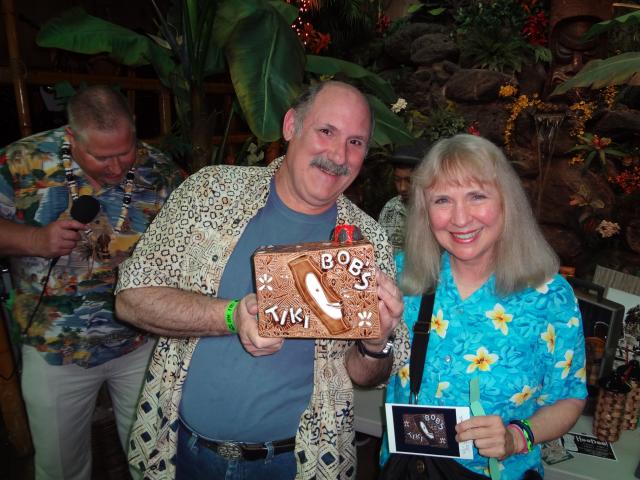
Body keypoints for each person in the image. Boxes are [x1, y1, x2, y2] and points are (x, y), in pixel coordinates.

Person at [114, 81, 410, 480]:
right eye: (326, 131)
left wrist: (376, 344)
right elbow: (130, 298)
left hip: (298, 461)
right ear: (290, 126)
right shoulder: (211, 193)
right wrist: (231, 316)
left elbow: (365, 375)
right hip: (182, 448)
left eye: (355, 142)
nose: (339, 155)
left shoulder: (366, 241)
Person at [0, 85, 184, 480]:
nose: (116, 168)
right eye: (101, 157)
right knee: (60, 468)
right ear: (71, 136)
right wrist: (35, 240)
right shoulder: (21, 161)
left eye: (125, 151)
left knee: (153, 458)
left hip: (140, 342)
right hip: (55, 346)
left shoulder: (160, 169)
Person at [381, 134, 587, 479]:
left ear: (506, 201)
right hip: (408, 469)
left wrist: (517, 437)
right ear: (424, 211)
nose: (460, 218)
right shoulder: (400, 276)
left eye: (476, 196)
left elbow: (569, 397)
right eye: (443, 200)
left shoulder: (550, 296)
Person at [378, 139, 429, 253]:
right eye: (397, 180)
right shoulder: (390, 208)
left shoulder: (435, 211)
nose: (402, 188)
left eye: (409, 180)